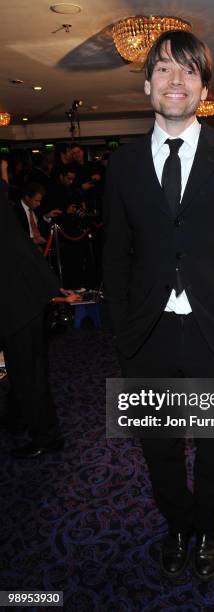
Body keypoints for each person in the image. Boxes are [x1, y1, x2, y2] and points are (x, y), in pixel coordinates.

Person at [103, 31, 214, 580]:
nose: (176, 80)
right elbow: (116, 253)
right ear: (148, 83)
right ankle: (178, 523)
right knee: (160, 446)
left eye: (189, 72)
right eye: (165, 70)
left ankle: (208, 525)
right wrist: (122, 330)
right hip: (147, 335)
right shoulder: (123, 162)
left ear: (203, 88)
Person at [0, 169, 79, 458]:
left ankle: (46, 437)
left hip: (17, 304)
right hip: (22, 300)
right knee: (25, 370)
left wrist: (54, 291)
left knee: (28, 373)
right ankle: (18, 417)